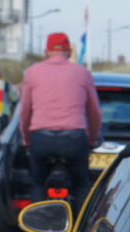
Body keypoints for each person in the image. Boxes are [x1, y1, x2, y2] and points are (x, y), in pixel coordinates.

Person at [18, 32, 102, 209]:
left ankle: (40, 229)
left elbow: (25, 111)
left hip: (41, 138)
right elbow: (95, 112)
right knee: (81, 185)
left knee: (39, 183)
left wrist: (26, 139)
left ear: (46, 51)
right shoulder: (83, 73)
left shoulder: (33, 72)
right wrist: (92, 140)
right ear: (69, 51)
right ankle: (80, 231)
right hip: (74, 139)